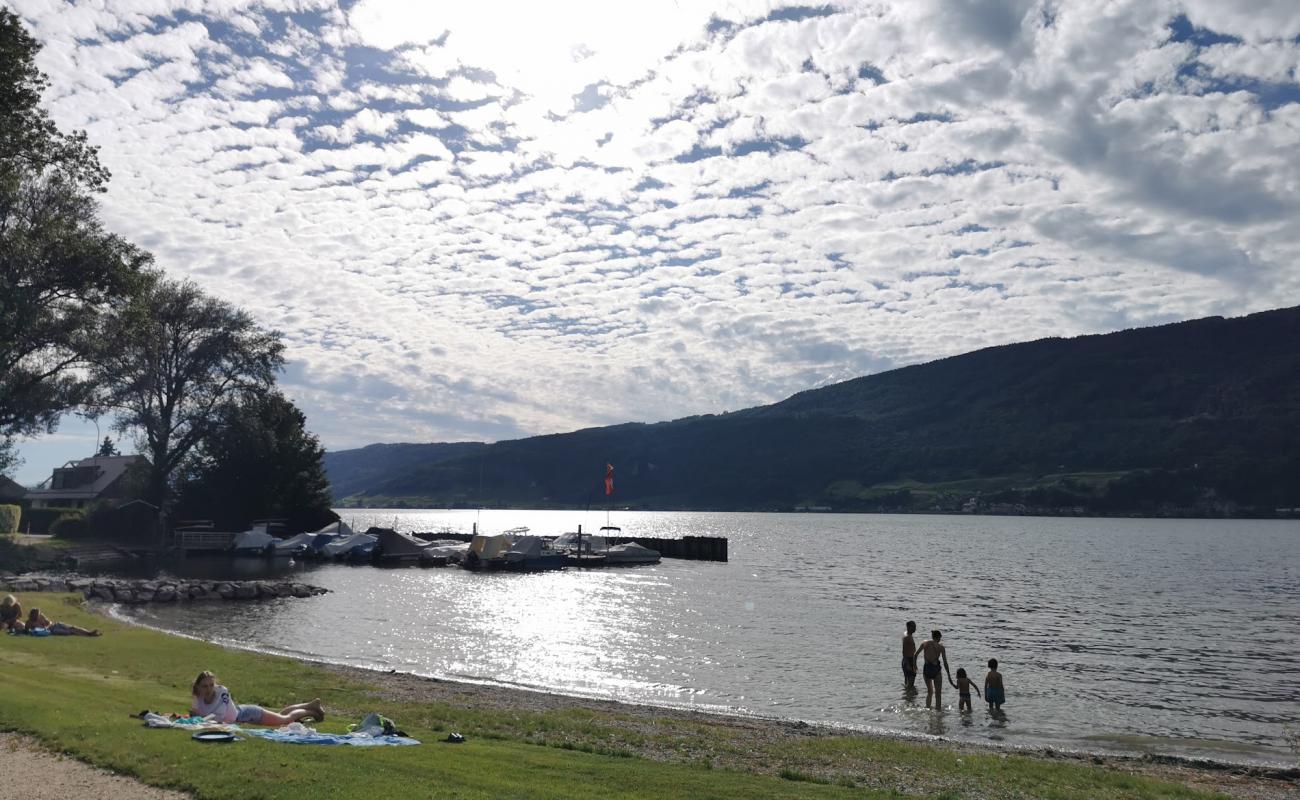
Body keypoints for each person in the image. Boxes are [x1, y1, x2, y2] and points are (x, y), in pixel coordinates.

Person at [190, 671, 325, 727]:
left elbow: (224, 718)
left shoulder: (222, 692)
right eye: (204, 686)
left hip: (249, 714)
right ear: (198, 687)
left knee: (284, 720)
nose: (208, 689)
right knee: (281, 715)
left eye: (211, 685)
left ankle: (313, 711)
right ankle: (309, 705)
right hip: (242, 711)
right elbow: (196, 715)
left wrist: (202, 719)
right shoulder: (198, 696)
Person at [917, 629, 953, 709]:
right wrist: (949, 675)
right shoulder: (941, 647)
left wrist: (914, 666)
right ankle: (938, 714)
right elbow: (945, 662)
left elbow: (915, 655)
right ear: (938, 637)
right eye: (940, 638)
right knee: (938, 694)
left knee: (930, 692)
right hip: (936, 670)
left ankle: (927, 709)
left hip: (926, 669)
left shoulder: (925, 643)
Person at [25, 607, 100, 636]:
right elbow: (27, 629)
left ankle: (88, 632)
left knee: (72, 627)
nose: (39, 615)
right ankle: (88, 635)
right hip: (52, 631)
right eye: (37, 614)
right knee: (70, 632)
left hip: (54, 626)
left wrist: (46, 626)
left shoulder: (41, 616)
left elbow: (50, 622)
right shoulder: (30, 622)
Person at [901, 620, 918, 688]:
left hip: (909, 660)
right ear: (908, 627)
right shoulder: (907, 637)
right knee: (910, 683)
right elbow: (904, 651)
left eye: (915, 627)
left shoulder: (906, 634)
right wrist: (908, 664)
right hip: (908, 660)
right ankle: (910, 697)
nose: (915, 628)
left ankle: (907, 696)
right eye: (913, 627)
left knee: (907, 681)